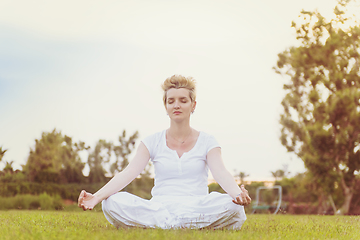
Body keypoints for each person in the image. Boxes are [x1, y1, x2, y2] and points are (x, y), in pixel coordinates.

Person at [78, 75, 251, 229]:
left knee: (234, 205)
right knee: (110, 203)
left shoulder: (208, 141)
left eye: (183, 100)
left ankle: (169, 225)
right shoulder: (152, 141)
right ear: (165, 106)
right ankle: (183, 224)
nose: (177, 105)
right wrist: (96, 197)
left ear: (193, 105)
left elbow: (221, 172)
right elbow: (129, 173)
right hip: (159, 208)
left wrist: (237, 194)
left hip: (197, 206)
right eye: (171, 101)